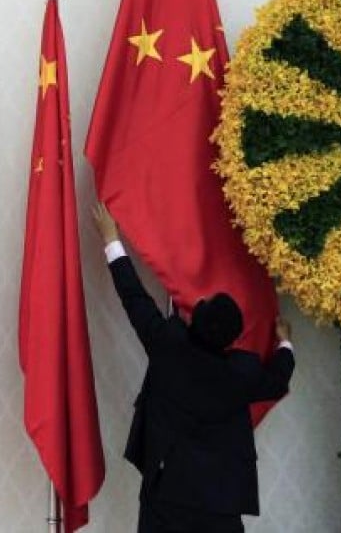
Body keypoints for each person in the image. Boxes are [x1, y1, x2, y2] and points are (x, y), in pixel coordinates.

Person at [92, 202, 294, 533]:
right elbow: (278, 380)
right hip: (221, 502)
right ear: (232, 340)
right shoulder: (242, 373)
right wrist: (284, 342)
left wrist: (111, 238)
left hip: (166, 492)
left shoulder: (167, 345)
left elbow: (134, 298)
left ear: (194, 320)